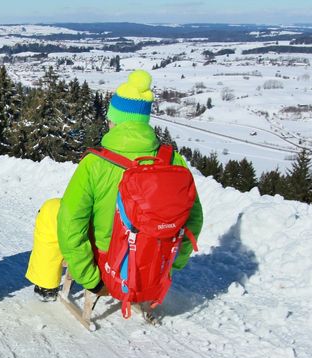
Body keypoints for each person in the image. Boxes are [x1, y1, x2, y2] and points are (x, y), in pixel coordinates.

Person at [25, 70, 203, 302]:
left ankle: (47, 285)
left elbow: (71, 224)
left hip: (108, 263)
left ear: (115, 120)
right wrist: (171, 264)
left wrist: (90, 278)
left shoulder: (95, 163)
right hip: (153, 262)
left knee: (52, 210)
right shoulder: (173, 161)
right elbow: (194, 219)